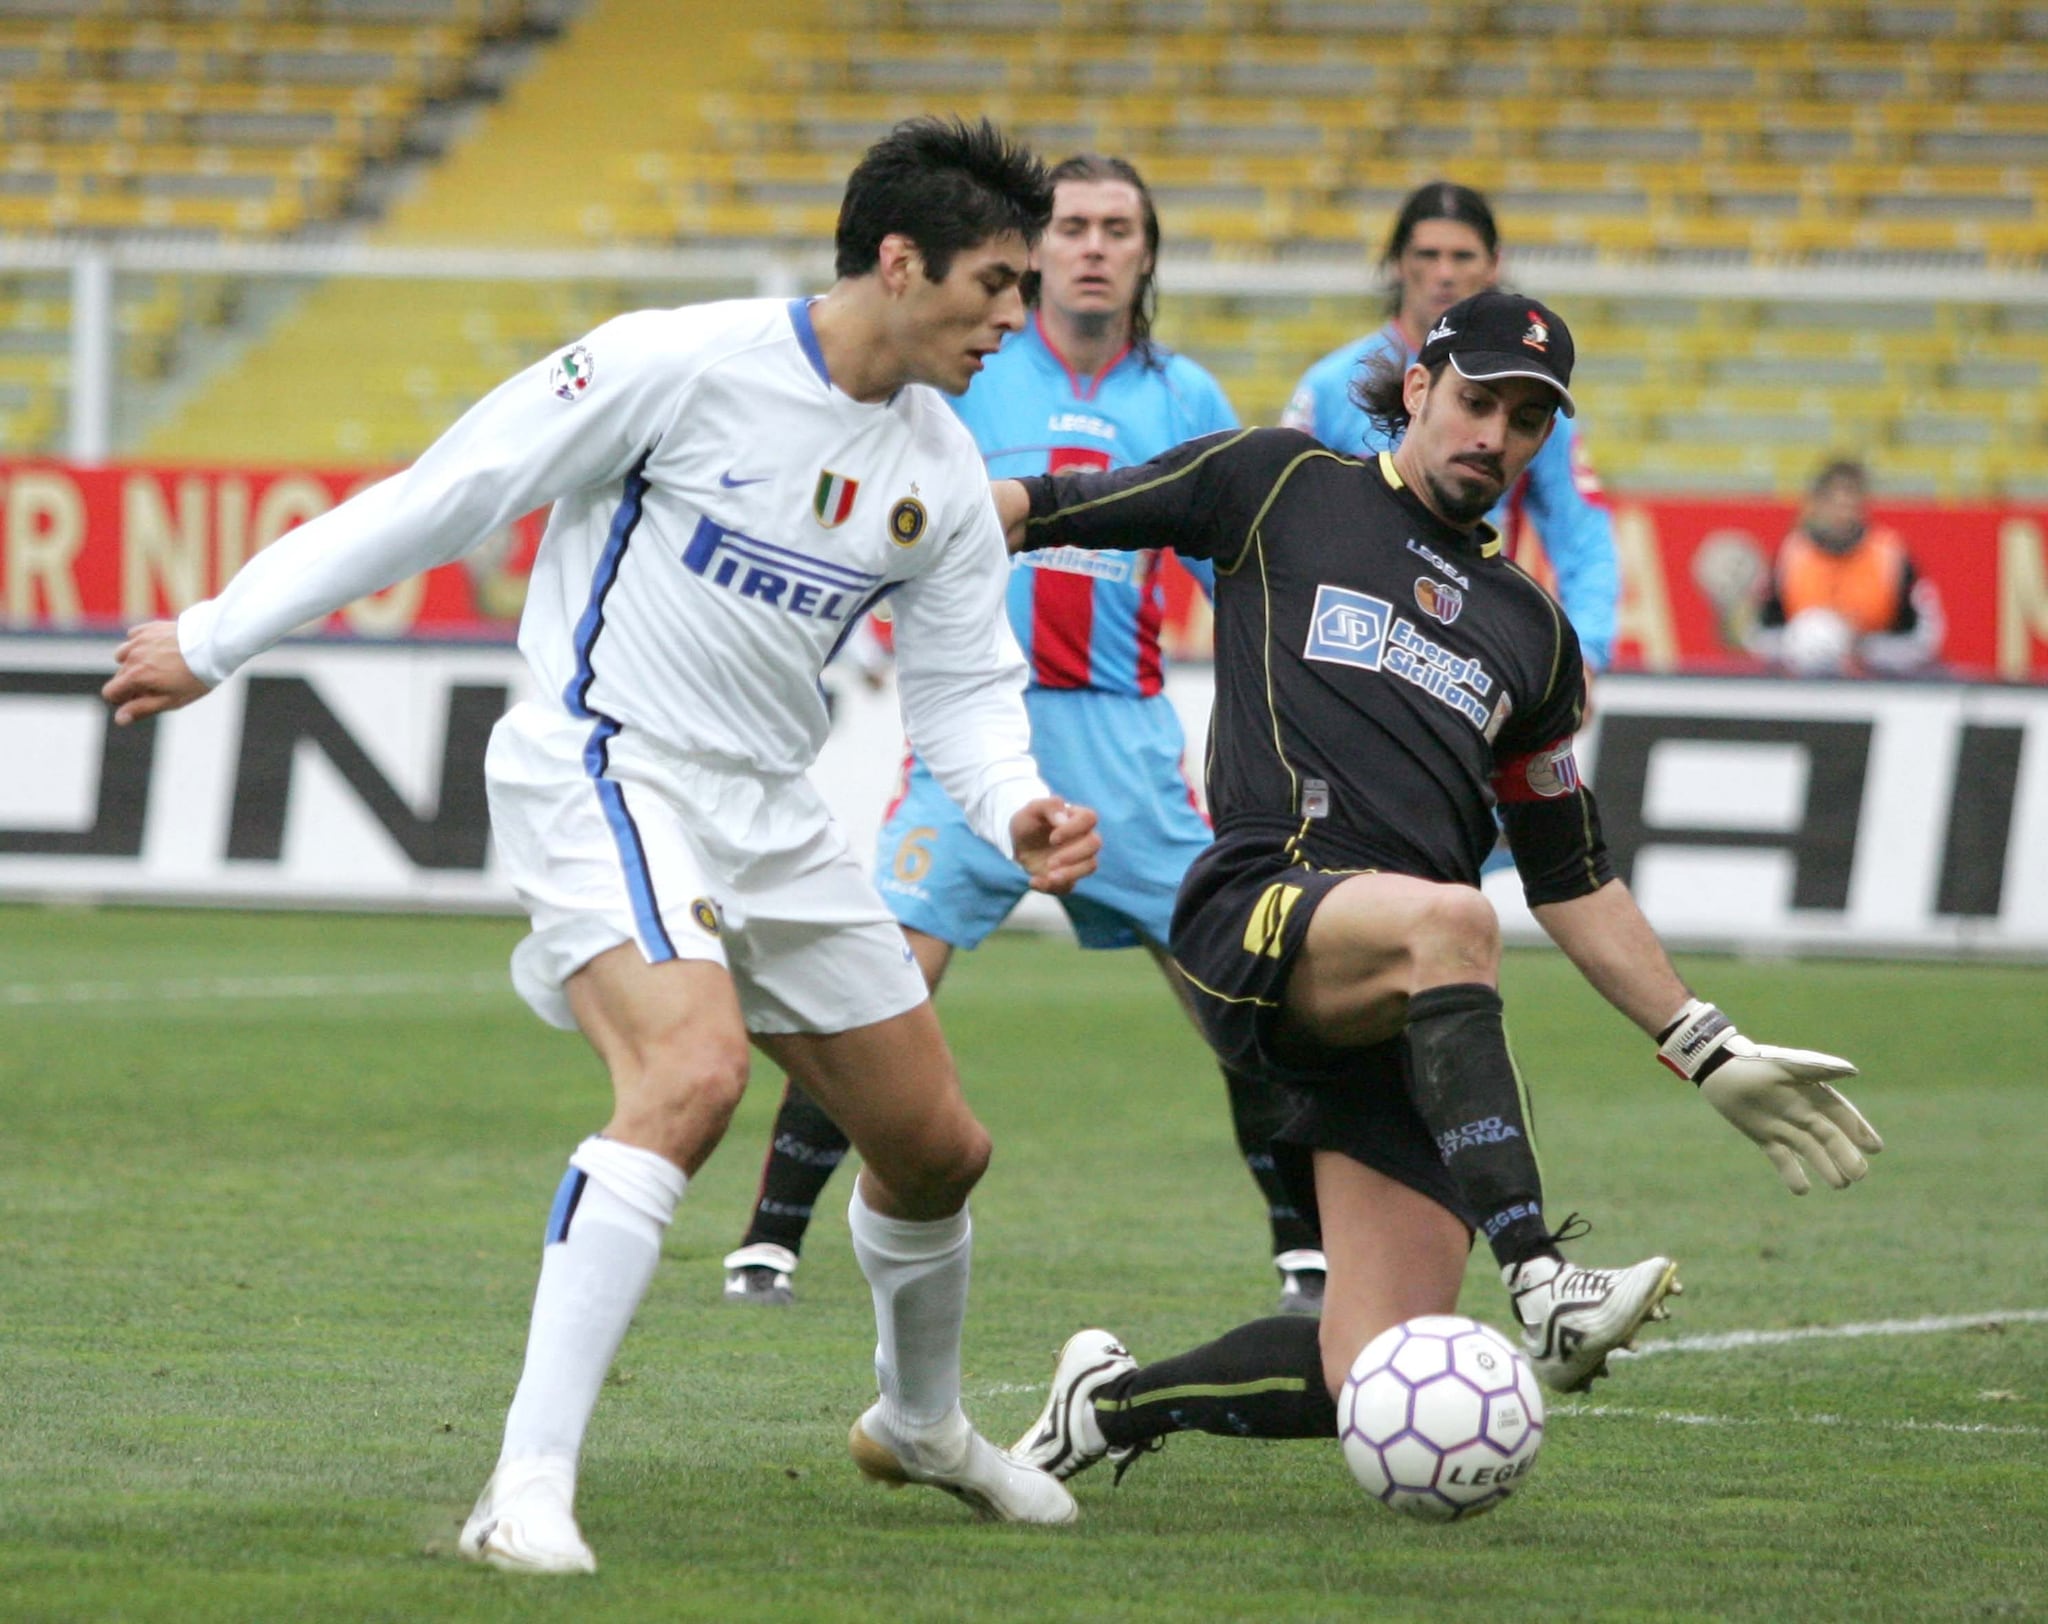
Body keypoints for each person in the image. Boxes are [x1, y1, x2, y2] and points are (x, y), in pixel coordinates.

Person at [101, 117, 1105, 1573]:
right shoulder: (678, 362)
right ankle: (522, 1487)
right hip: (606, 765)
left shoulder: (941, 466)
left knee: (939, 1150)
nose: (1023, 314)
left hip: (771, 812)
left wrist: (1015, 802)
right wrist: (215, 636)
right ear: (901, 263)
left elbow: (961, 689)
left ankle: (922, 1423)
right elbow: (450, 490)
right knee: (688, 1075)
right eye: (1001, 282)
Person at [985, 290, 1882, 1485]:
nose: (1493, 436)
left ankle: (1105, 1407)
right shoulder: (1279, 483)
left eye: (1525, 420)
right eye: (1474, 401)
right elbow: (1049, 506)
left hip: (1402, 988)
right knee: (1459, 915)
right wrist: (913, 525)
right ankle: (1540, 1276)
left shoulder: (1534, 638)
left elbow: (1570, 876)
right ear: (1416, 387)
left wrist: (1705, 1044)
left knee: (1371, 1373)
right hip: (1261, 904)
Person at [723, 153, 1330, 1317]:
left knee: (1233, 992)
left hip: (1125, 743)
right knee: (879, 983)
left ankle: (1302, 1251)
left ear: (1147, 253)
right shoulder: (968, 373)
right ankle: (769, 1240)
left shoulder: (1188, 398)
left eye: (1118, 227)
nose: (1093, 246)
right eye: (1072, 227)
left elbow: (1240, 560)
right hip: (974, 740)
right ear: (1035, 250)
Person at [1282, 181, 1620, 672]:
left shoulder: (1528, 397)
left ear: (1493, 264)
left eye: (1462, 256)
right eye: (1428, 254)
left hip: (1470, 649)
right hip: (1346, 641)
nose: (1444, 273)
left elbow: (1582, 531)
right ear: (1398, 261)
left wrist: (1585, 653)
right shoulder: (1333, 386)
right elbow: (1281, 516)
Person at [1751, 457, 1945, 675]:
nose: (1842, 514)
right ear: (1816, 504)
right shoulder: (1790, 555)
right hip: (1802, 685)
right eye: (1833, 503)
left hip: (1877, 685)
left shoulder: (1891, 556)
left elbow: (1925, 639)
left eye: (1850, 504)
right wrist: (1798, 643)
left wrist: (1864, 648)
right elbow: (1761, 634)